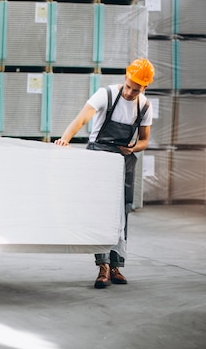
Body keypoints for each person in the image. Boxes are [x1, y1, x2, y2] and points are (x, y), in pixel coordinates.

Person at [54, 58, 155, 289]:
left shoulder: (145, 106)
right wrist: (64, 140)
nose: (130, 92)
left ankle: (117, 265)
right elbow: (81, 119)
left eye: (136, 89)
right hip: (99, 158)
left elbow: (144, 141)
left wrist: (133, 148)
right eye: (128, 85)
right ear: (125, 78)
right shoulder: (106, 95)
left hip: (123, 160)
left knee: (121, 213)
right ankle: (103, 268)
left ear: (144, 88)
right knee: (99, 213)